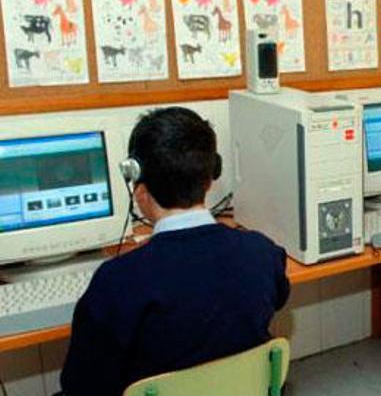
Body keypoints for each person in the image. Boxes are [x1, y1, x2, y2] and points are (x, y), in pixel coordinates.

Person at [60, 107, 290, 396]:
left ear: (137, 184)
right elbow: (277, 297)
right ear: (211, 177)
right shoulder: (262, 253)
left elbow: (79, 386)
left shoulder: (116, 281)